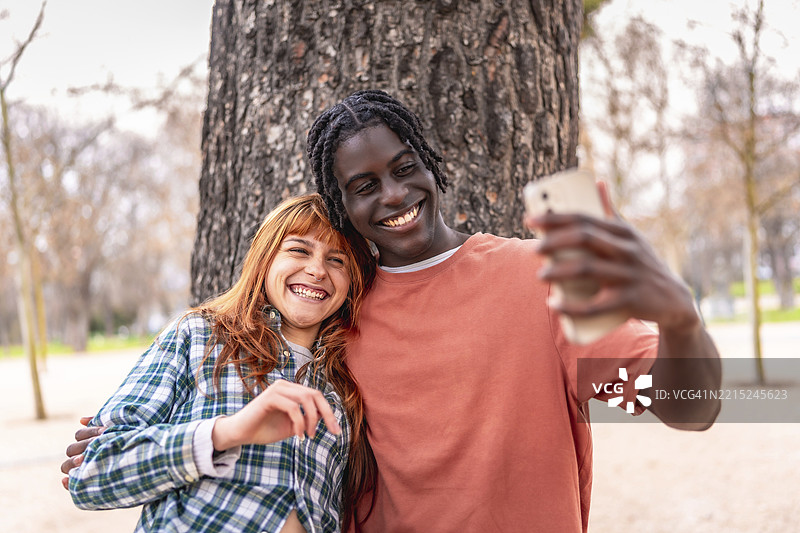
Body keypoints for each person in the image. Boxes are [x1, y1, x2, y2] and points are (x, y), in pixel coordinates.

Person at [65, 91, 721, 532]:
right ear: (341, 202)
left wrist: (681, 320)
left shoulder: (539, 276)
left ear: (432, 166)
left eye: (406, 169)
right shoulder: (333, 319)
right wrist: (122, 446)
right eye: (365, 185)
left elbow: (692, 406)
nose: (395, 195)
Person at [65, 194, 377, 533]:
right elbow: (92, 474)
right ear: (264, 259)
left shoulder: (345, 389)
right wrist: (226, 433)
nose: (317, 269)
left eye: (338, 260)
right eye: (299, 250)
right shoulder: (200, 335)